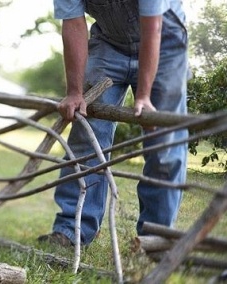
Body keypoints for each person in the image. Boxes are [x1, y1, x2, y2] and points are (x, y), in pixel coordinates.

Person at [38, 0, 189, 246]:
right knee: (87, 131)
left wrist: (144, 95)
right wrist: (75, 92)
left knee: (164, 141)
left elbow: (153, 27)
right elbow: (74, 23)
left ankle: (153, 240)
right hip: (109, 41)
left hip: (164, 40)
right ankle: (72, 230)